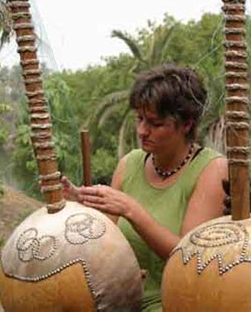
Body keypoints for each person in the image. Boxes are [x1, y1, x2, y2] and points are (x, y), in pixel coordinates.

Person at [62, 64, 228, 311]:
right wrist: (80, 206)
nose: (142, 131)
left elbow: (190, 260)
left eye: (155, 123)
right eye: (139, 118)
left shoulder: (212, 169)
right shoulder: (129, 165)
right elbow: (105, 245)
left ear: (186, 124)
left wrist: (132, 210)